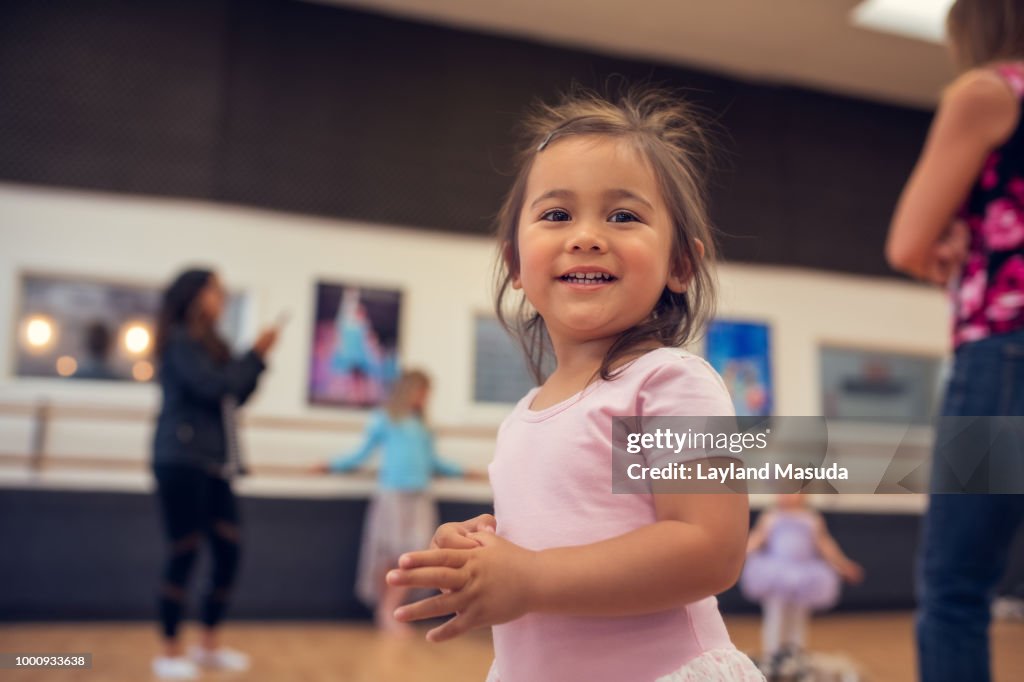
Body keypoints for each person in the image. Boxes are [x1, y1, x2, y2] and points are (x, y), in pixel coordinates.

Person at [386, 87, 765, 681]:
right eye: (557, 214)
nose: (586, 235)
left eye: (624, 215)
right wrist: (480, 548)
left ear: (680, 265)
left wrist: (532, 576)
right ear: (515, 261)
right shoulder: (523, 415)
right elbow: (551, 532)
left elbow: (709, 548)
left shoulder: (668, 383)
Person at [886, 1, 1024, 680]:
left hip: (1005, 356)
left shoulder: (990, 91)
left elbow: (907, 242)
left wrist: (948, 253)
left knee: (957, 589)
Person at [150, 268, 279, 680]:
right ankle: (170, 650)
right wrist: (255, 355)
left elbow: (234, 393)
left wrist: (257, 359)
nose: (221, 296)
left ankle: (208, 645)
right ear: (194, 295)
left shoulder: (211, 343)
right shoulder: (180, 342)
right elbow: (212, 387)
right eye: (215, 290)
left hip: (215, 464)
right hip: (181, 461)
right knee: (184, 553)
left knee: (228, 553)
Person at [313, 369, 480, 635]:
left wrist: (465, 472)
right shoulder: (385, 420)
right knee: (389, 553)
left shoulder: (424, 428)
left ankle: (392, 608)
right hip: (392, 495)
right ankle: (385, 610)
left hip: (419, 496)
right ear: (408, 391)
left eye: (428, 393)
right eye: (422, 391)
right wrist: (331, 466)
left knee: (413, 554)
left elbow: (434, 462)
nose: (425, 398)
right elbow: (361, 453)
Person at [740, 493, 863, 676]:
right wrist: (739, 553)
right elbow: (756, 539)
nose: (787, 496)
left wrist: (843, 565)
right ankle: (772, 655)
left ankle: (795, 656)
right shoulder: (772, 517)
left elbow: (825, 545)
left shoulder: (811, 519)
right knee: (775, 614)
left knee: (798, 616)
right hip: (776, 574)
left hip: (804, 577)